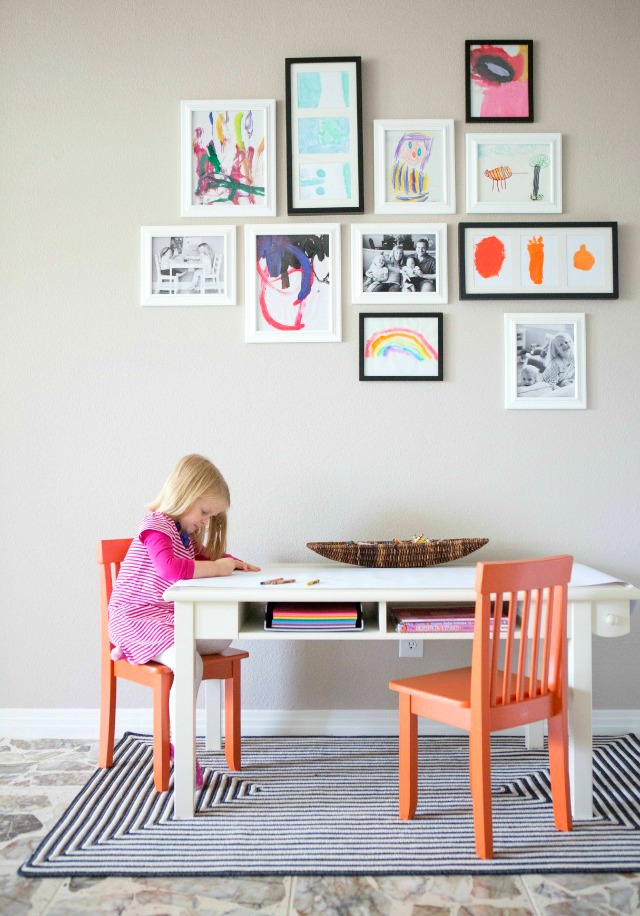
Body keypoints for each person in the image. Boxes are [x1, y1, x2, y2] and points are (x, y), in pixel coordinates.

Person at [108, 454, 260, 788]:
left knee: (220, 639)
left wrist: (232, 562)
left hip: (162, 617)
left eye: (212, 516)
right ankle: (185, 749)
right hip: (135, 617)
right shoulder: (155, 527)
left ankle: (139, 650)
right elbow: (170, 570)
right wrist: (219, 568)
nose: (206, 521)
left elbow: (207, 559)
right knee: (190, 663)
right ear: (185, 494)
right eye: (204, 512)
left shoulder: (183, 535)